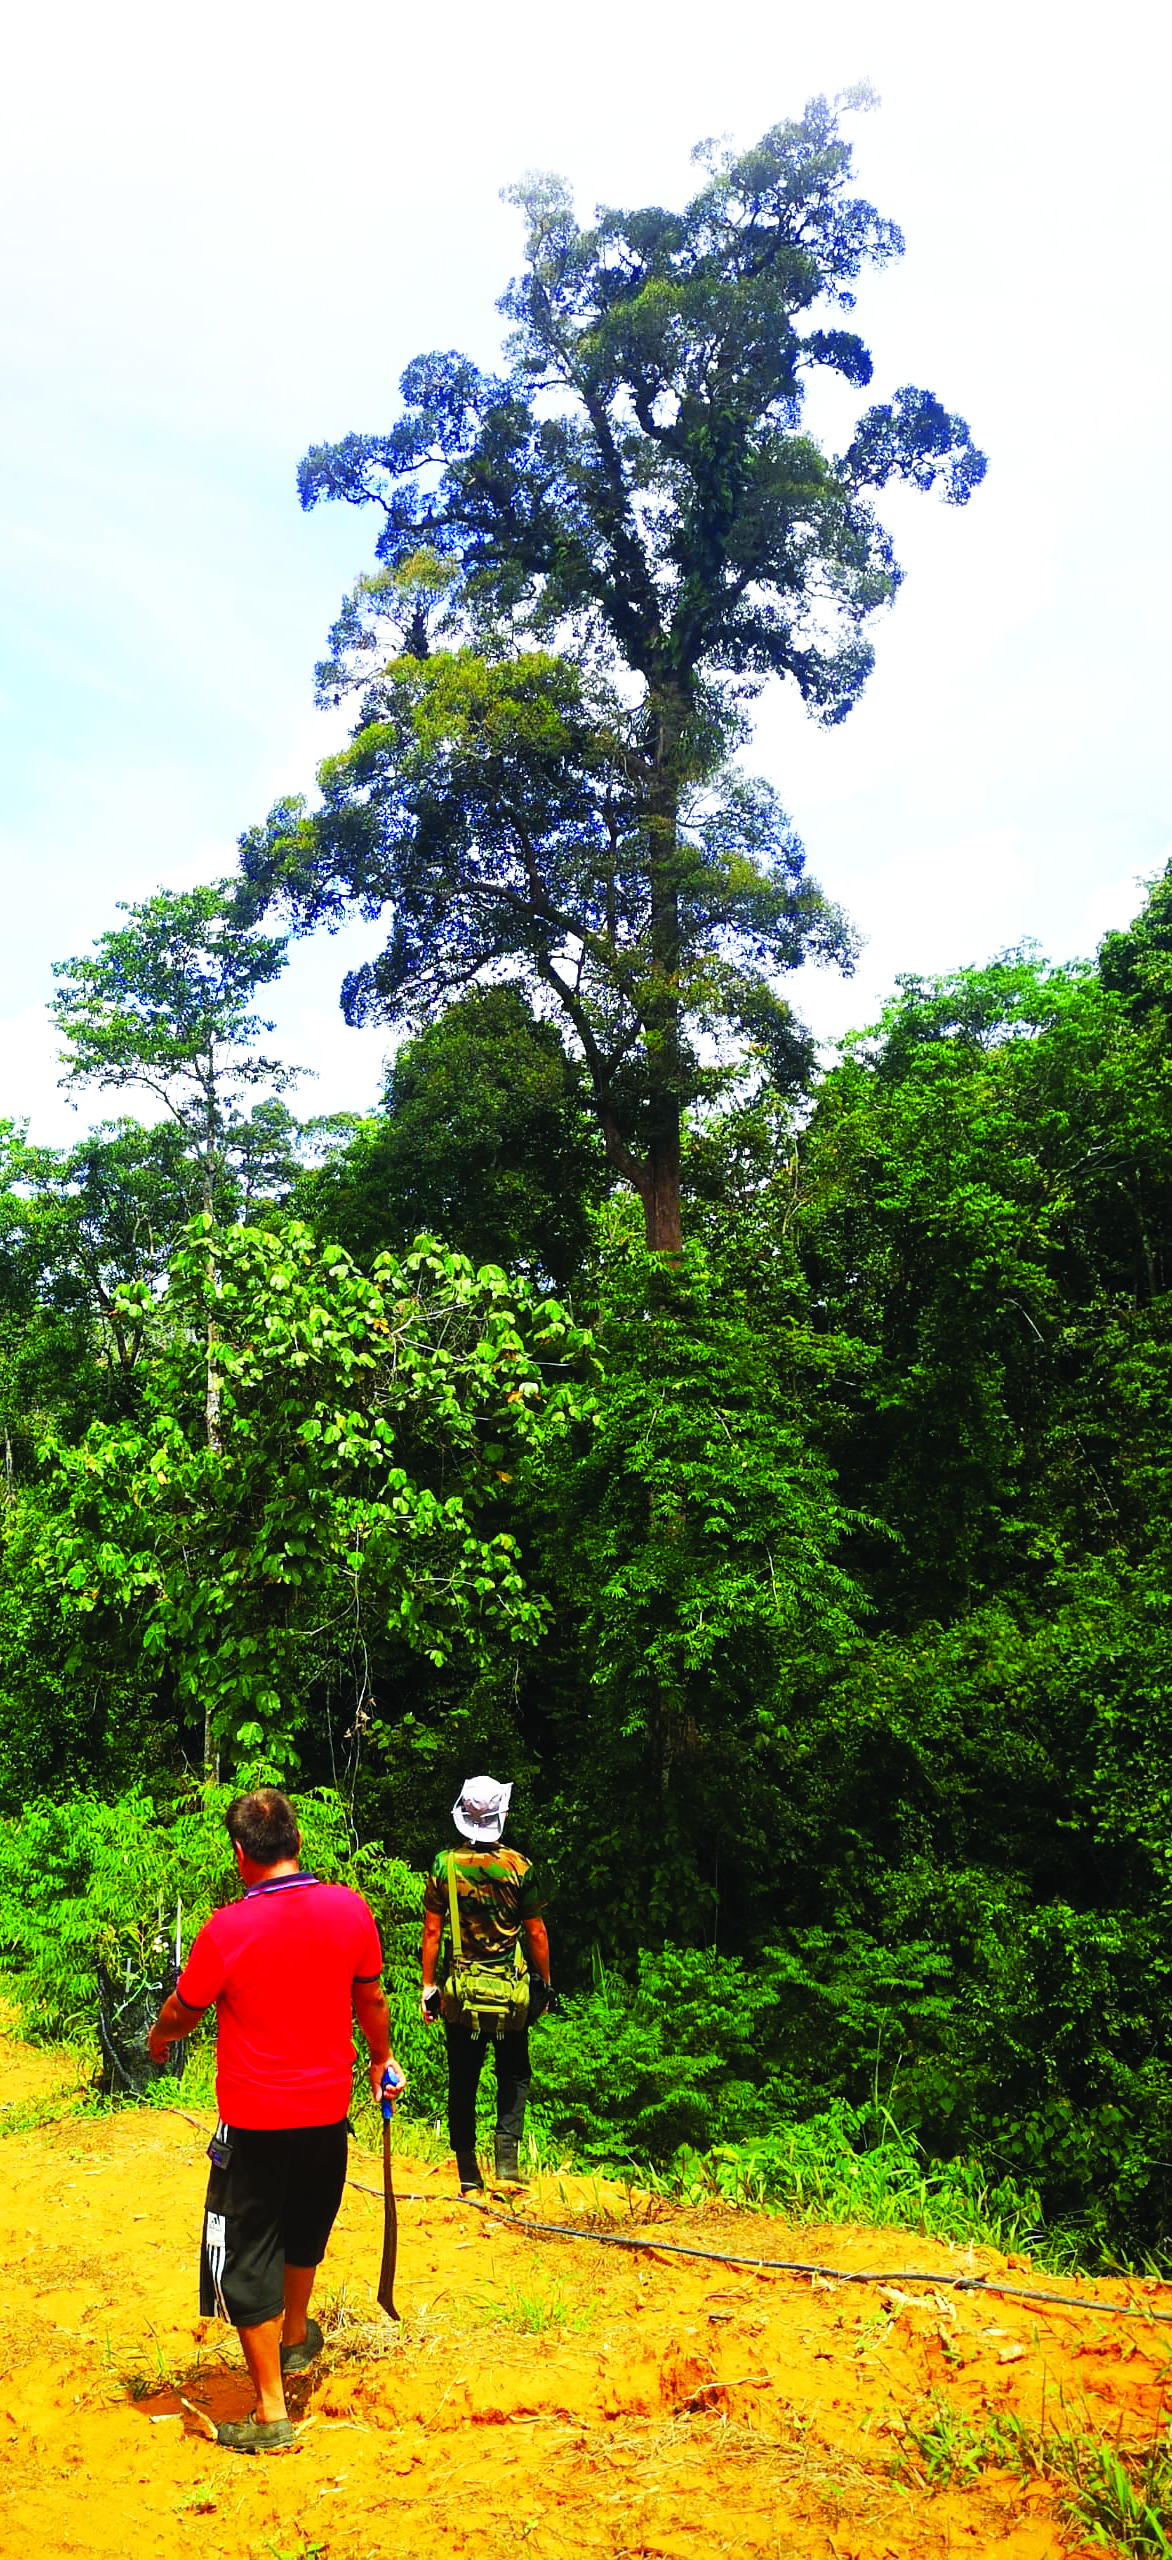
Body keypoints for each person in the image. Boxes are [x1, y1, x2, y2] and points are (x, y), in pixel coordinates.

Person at [147, 1786, 403, 2455]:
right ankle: (294, 2337)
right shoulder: (349, 1908)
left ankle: (269, 2412)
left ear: (240, 1855)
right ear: (296, 1841)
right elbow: (370, 1997)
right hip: (327, 2115)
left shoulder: (227, 1929)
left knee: (241, 2256)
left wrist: (158, 2036)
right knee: (302, 2229)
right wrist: (380, 2061)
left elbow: (186, 2009)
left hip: (256, 2121)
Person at [421, 1773, 551, 2194]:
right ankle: (508, 2165)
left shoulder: (445, 1864)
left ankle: (467, 2174)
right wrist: (543, 1985)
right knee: (513, 2072)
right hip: (509, 1992)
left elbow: (432, 1933)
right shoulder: (519, 1867)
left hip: (462, 1993)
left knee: (463, 2077)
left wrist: (428, 1987)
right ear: (499, 1817)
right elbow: (536, 1934)